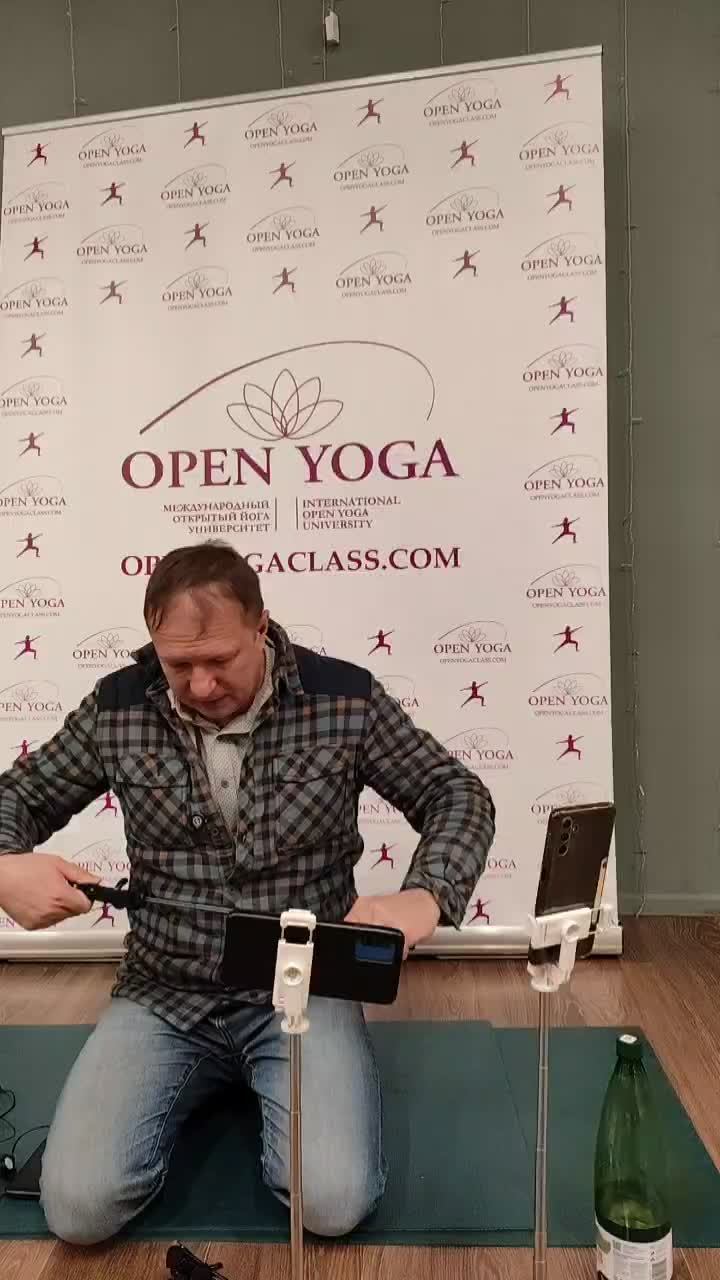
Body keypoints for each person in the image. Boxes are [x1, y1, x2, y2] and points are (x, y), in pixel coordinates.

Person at [0, 541, 495, 1248]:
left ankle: (271, 1085)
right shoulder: (116, 707)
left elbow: (456, 793)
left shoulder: (344, 697)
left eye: (219, 660)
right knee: (78, 1212)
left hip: (306, 983)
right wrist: (5, 868)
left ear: (261, 626)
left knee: (331, 1204)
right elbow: (18, 796)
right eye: (178, 665)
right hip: (164, 990)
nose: (200, 686)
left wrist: (427, 895)